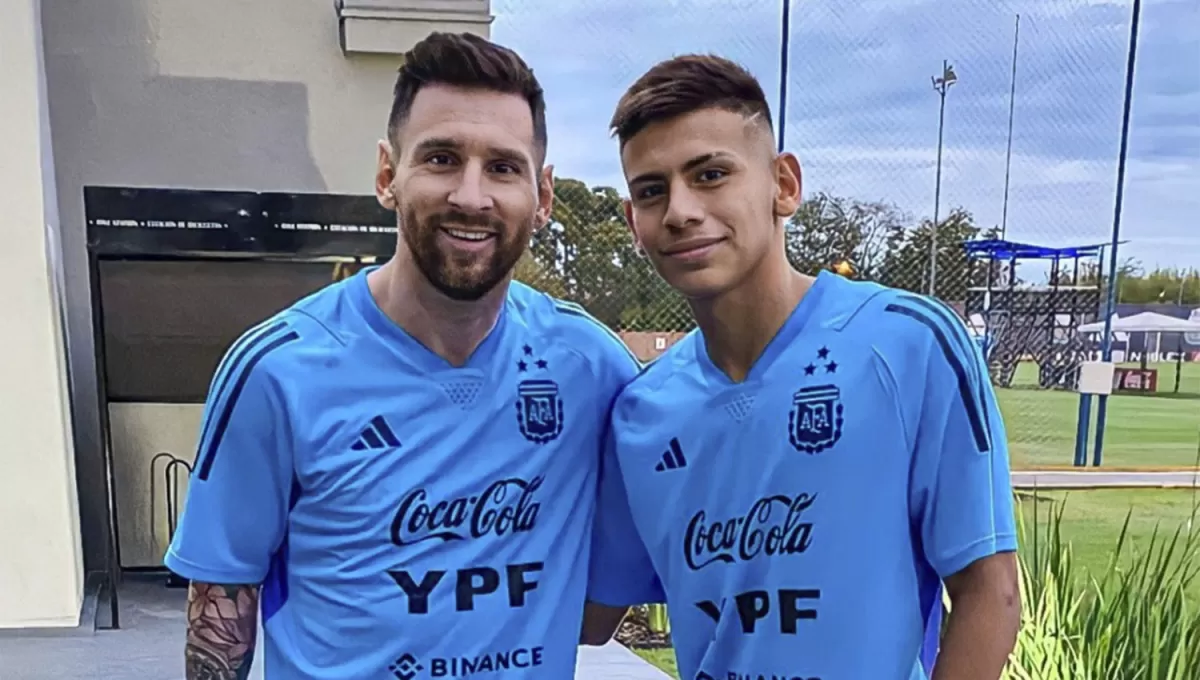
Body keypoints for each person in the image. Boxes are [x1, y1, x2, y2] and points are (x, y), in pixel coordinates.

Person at [165, 32, 639, 680]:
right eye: (442, 158)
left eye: (503, 167)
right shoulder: (277, 371)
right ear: (388, 174)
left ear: (543, 196)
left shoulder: (590, 367)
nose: (471, 196)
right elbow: (221, 611)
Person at [587, 55, 1021, 680]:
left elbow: (990, 593)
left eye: (710, 174)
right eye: (651, 191)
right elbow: (591, 615)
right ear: (634, 222)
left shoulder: (908, 345)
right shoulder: (640, 412)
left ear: (783, 184)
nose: (679, 210)